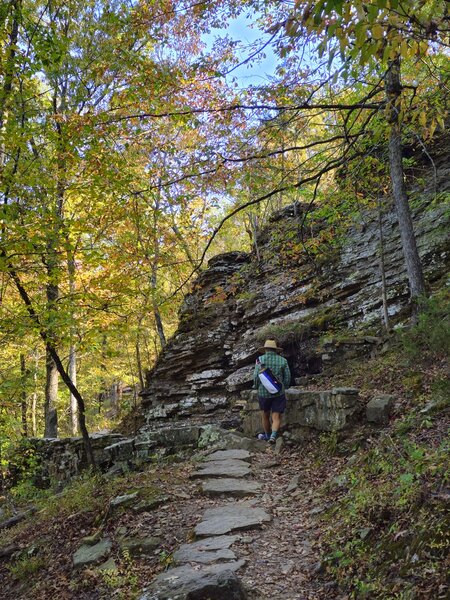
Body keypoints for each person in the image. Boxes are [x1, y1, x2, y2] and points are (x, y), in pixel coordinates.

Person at [253, 339, 291, 444]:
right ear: (275, 350)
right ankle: (273, 437)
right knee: (276, 416)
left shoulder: (259, 359)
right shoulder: (283, 360)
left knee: (265, 415)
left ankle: (267, 435)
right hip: (278, 392)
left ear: (265, 349)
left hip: (263, 393)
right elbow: (287, 377)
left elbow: (256, 377)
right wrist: (284, 386)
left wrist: (256, 387)